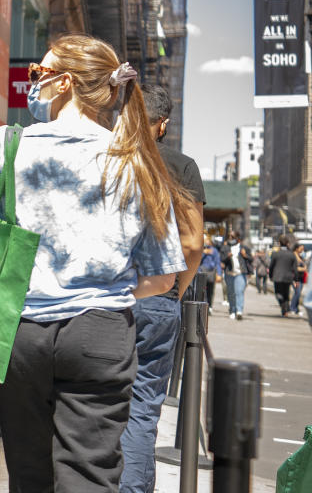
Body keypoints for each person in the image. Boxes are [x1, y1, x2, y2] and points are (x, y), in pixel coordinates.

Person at [0, 33, 186, 491]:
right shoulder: (136, 160)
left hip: (21, 329)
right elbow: (163, 276)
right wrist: (112, 291)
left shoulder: (8, 145)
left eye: (37, 74)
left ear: (63, 83)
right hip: (101, 332)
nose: (32, 84)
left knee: (29, 473)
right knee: (91, 474)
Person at [119, 83, 203, 493]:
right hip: (157, 299)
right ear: (163, 124)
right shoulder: (181, 166)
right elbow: (192, 242)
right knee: (141, 410)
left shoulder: (109, 158)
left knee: (90, 407)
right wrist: (176, 292)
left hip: (104, 299)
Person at [220, 231, 252, 319]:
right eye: (229, 236)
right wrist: (227, 256)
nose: (230, 238)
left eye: (233, 236)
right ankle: (232, 310)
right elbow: (222, 259)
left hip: (240, 273)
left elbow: (251, 259)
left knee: (239, 292)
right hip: (229, 273)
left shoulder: (244, 248)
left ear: (237, 238)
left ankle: (239, 311)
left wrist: (245, 255)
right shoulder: (225, 248)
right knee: (231, 293)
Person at [269, 235, 297, 316]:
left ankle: (283, 306)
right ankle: (285, 309)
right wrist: (296, 279)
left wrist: (270, 276)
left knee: (278, 293)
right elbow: (295, 268)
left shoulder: (275, 254)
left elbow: (271, 266)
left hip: (277, 277)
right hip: (288, 277)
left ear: (279, 243)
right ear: (287, 243)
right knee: (286, 293)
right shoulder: (292, 254)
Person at [291, 243, 307, 315]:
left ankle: (296, 309)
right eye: (301, 248)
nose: (302, 250)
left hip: (300, 277)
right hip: (295, 278)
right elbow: (294, 268)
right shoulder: (293, 256)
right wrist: (303, 269)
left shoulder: (300, 256)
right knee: (297, 293)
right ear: (297, 248)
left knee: (298, 293)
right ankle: (293, 308)